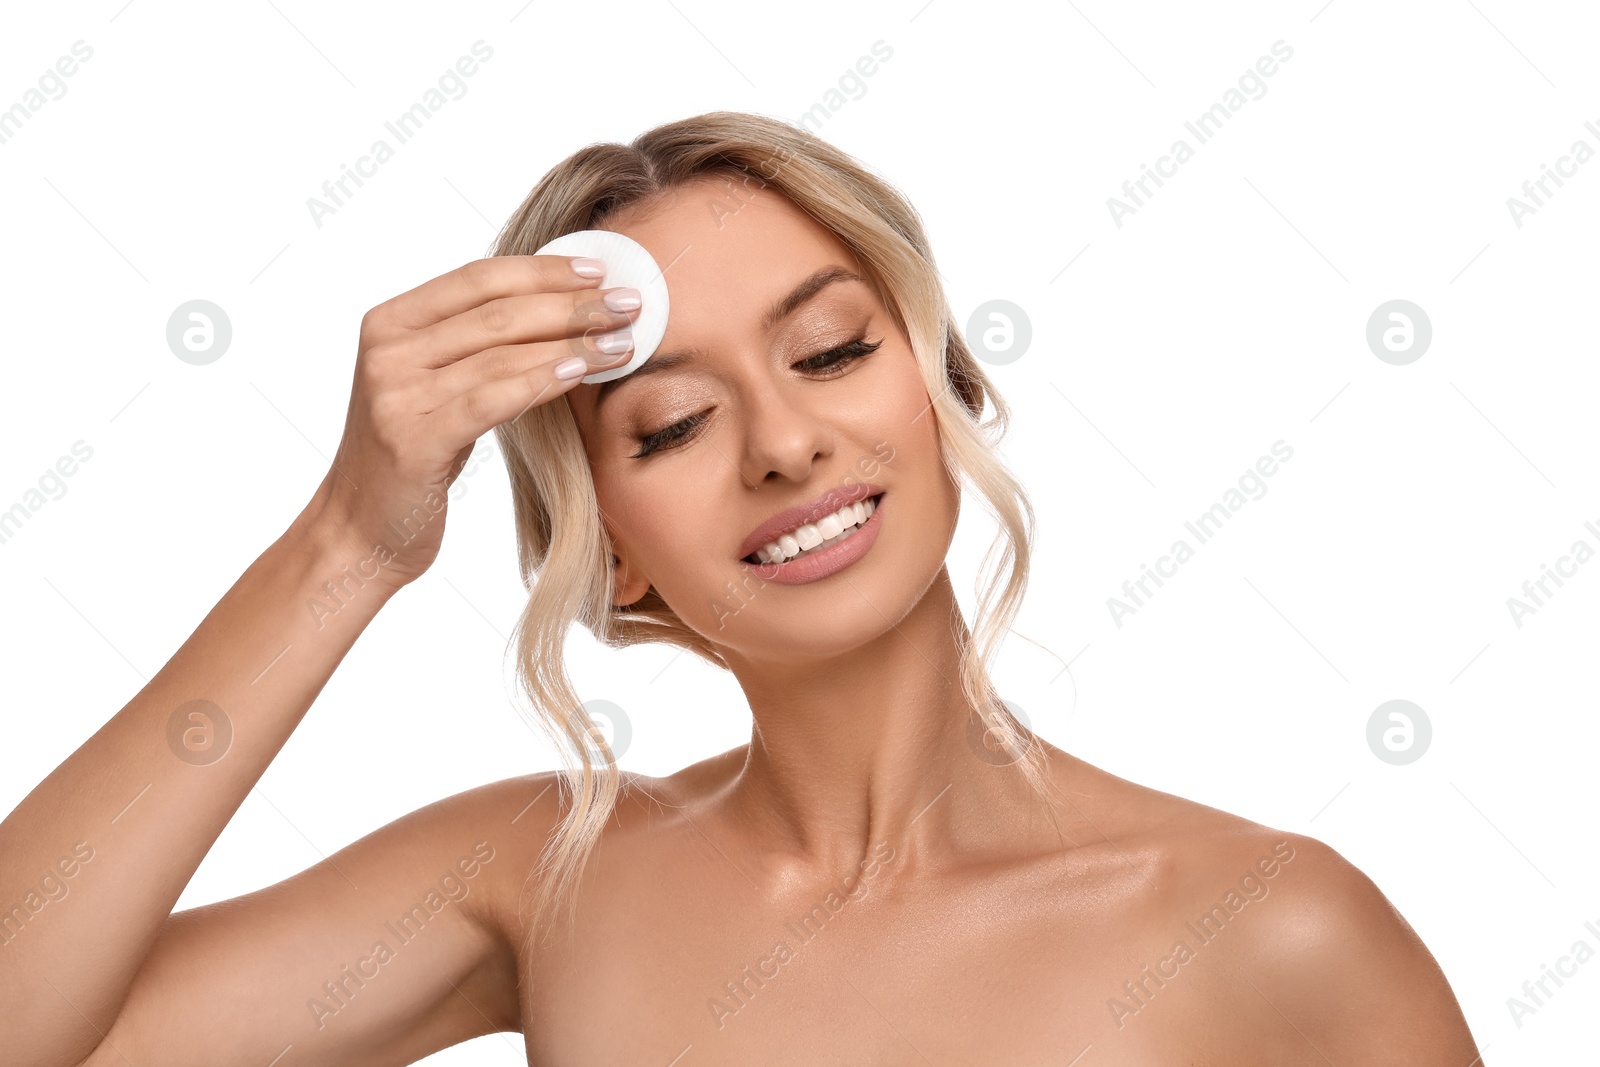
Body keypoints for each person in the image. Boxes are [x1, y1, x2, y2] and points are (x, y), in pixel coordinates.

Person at [1, 111, 1482, 1065]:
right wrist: (349, 542)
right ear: (614, 547)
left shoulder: (1275, 929)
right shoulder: (544, 878)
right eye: (673, 425)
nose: (784, 445)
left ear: (949, 389)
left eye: (832, 350)